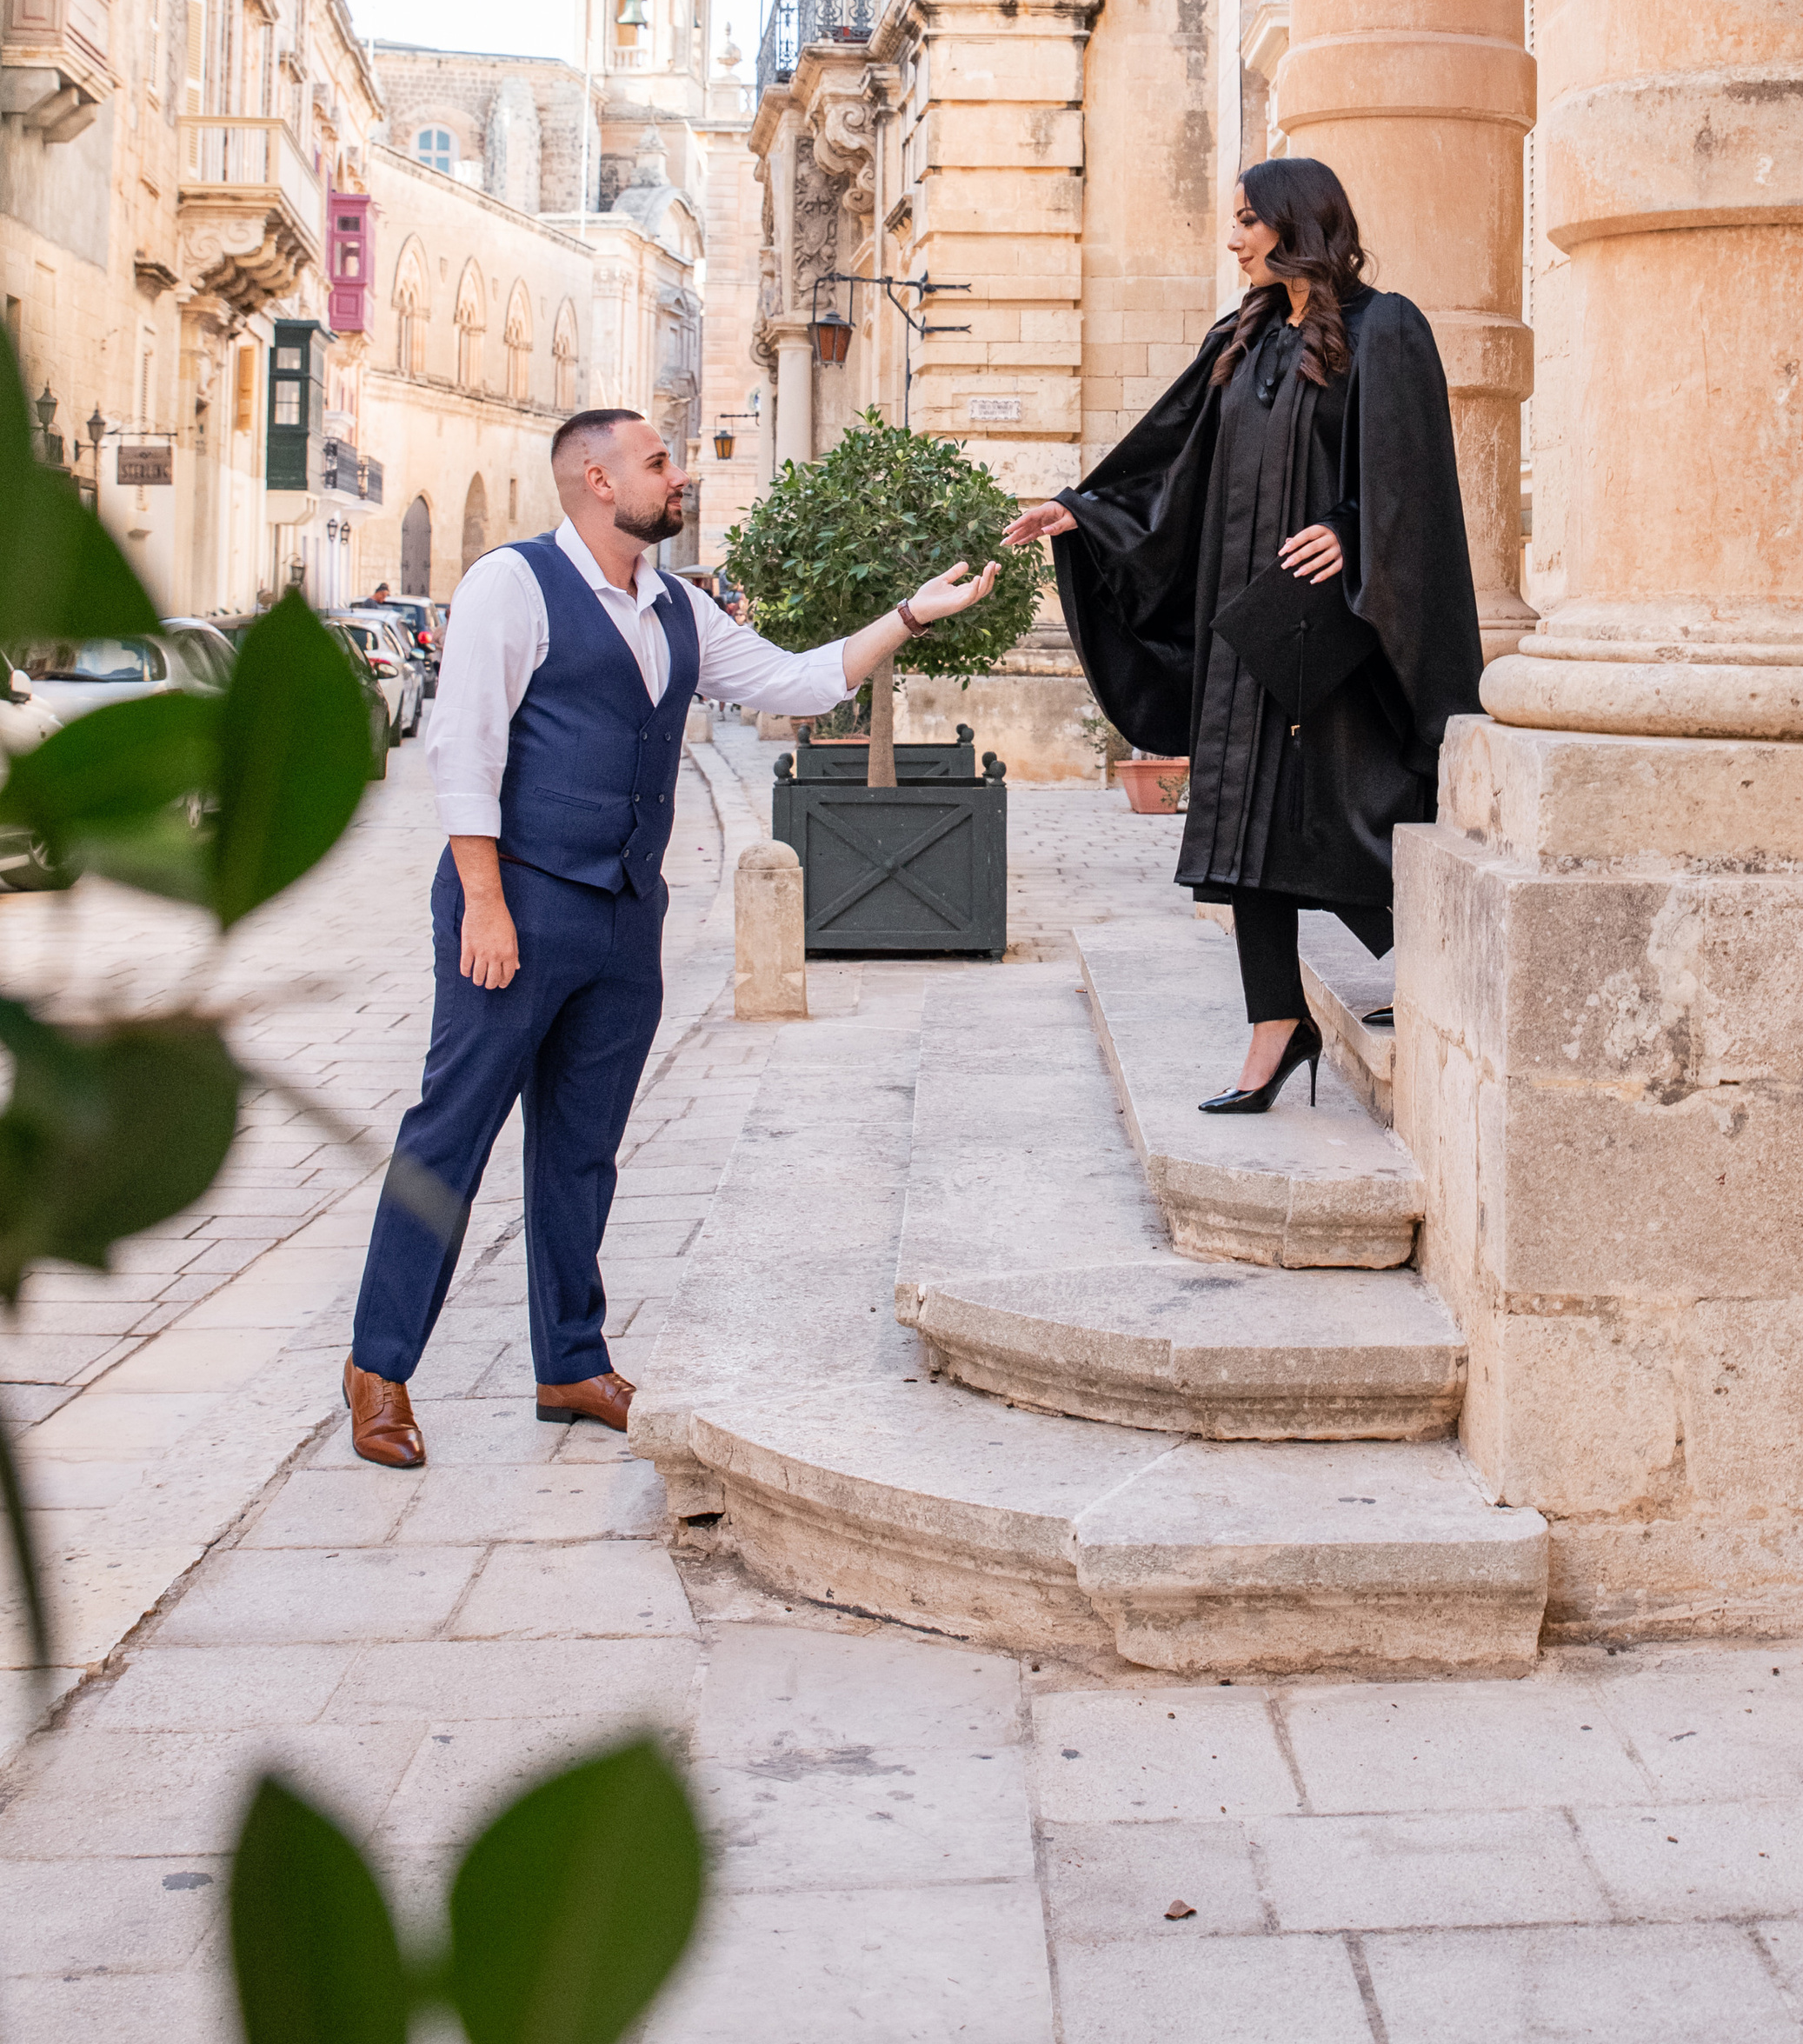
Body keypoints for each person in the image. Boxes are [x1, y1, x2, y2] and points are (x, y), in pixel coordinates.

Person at [343, 406, 998, 1468]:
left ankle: (568, 1359)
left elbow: (798, 681)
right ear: (596, 481)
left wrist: (909, 617)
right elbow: (461, 751)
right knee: (450, 1136)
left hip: (624, 912)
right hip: (517, 900)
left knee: (585, 1148)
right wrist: (484, 904)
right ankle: (379, 1368)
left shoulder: (677, 609)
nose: (678, 474)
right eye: (659, 462)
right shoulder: (513, 585)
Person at [1004, 158, 1480, 1111]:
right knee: (1237, 830)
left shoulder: (1387, 329)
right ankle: (1275, 1025)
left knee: (1349, 801)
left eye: (1246, 221)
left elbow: (1411, 475)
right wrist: (1083, 512)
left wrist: (1350, 532)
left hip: (1329, 621)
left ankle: (1431, 956)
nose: (1232, 238)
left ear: (1297, 223)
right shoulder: (1245, 337)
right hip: (1242, 624)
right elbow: (1170, 458)